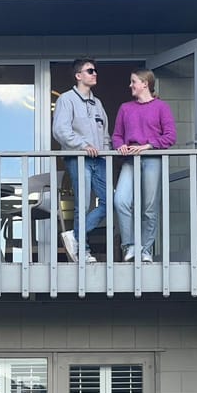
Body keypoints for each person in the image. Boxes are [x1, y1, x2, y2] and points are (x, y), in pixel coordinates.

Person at [112, 69, 176, 263]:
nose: (130, 85)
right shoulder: (125, 108)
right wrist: (120, 145)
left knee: (149, 207)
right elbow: (116, 135)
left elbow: (170, 136)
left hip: (151, 159)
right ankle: (130, 246)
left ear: (145, 84)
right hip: (130, 161)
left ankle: (146, 249)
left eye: (133, 82)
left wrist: (148, 145)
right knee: (120, 200)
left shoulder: (161, 107)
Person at [52, 58, 111, 263]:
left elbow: (105, 134)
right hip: (79, 159)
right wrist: (83, 145)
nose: (95, 73)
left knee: (111, 203)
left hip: (100, 161)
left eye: (95, 71)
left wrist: (106, 152)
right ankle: (82, 250)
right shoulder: (66, 99)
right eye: (90, 70)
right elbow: (60, 130)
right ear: (78, 76)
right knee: (83, 204)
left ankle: (75, 235)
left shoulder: (98, 103)